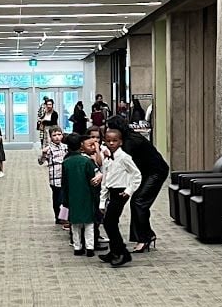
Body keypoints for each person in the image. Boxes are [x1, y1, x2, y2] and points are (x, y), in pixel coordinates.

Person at [106, 114, 169, 252]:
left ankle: (144, 238)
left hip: (155, 172)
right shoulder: (127, 139)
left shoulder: (131, 142)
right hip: (146, 172)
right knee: (138, 202)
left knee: (139, 202)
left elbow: (124, 165)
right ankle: (147, 235)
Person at [98, 125, 142, 268]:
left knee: (109, 222)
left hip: (120, 192)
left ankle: (123, 252)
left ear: (121, 142)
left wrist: (129, 191)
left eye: (115, 140)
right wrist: (102, 201)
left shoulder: (124, 157)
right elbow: (105, 181)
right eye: (108, 140)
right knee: (110, 222)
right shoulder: (107, 159)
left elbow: (136, 175)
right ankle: (115, 251)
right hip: (111, 191)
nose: (111, 143)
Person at [60, 133, 99, 257]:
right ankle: (90, 247)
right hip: (87, 195)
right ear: (81, 145)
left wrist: (64, 199)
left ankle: (77, 247)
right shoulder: (86, 161)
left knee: (75, 224)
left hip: (72, 196)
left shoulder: (66, 162)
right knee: (89, 223)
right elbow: (93, 179)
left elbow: (64, 183)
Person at [37, 125, 67, 222]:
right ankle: (57, 216)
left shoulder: (65, 147)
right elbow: (40, 162)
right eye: (54, 135)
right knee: (57, 199)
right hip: (54, 178)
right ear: (50, 137)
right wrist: (43, 154)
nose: (57, 137)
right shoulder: (49, 149)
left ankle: (64, 217)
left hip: (65, 177)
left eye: (59, 134)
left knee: (64, 199)